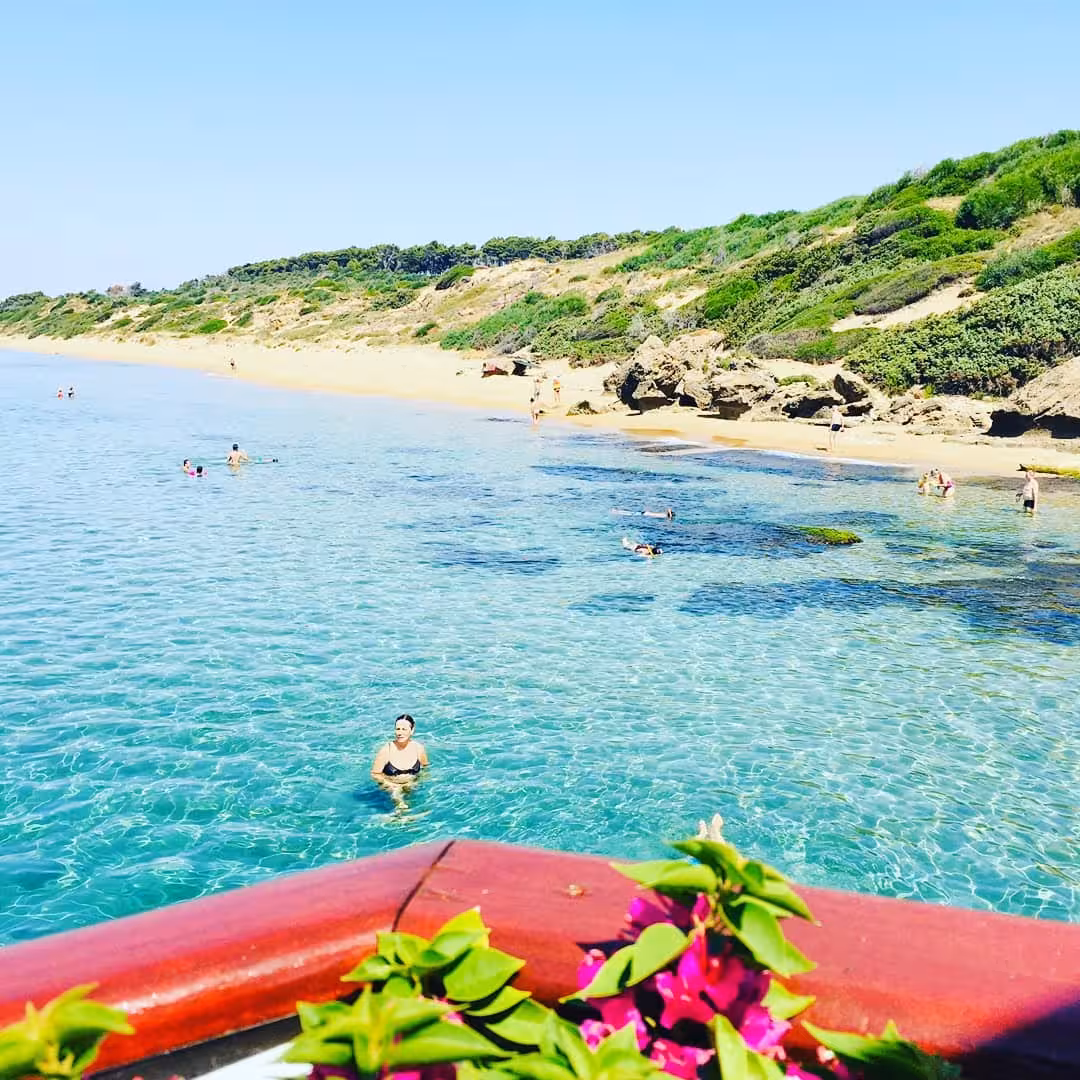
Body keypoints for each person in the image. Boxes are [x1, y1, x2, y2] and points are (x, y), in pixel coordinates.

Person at [371, 714, 428, 798]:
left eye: (404, 729)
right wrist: (390, 785)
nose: (400, 733)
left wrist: (417, 782)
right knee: (401, 806)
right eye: (398, 729)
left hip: (412, 786)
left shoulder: (418, 749)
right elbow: (375, 774)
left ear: (412, 730)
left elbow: (425, 769)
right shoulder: (386, 750)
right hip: (391, 789)